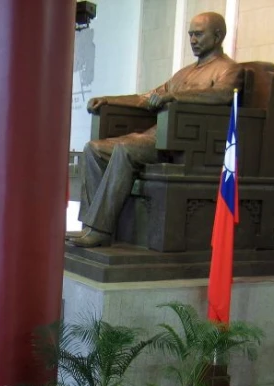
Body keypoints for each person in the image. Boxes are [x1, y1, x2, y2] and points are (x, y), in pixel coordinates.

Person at [69, 12, 244, 248]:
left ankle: (100, 230)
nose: (193, 39)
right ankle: (90, 226)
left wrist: (175, 96)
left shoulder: (229, 69)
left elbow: (223, 95)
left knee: (124, 149)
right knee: (94, 149)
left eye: (199, 34)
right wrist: (108, 100)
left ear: (218, 35)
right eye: (191, 34)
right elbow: (147, 98)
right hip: (156, 136)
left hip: (183, 143)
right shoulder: (184, 73)